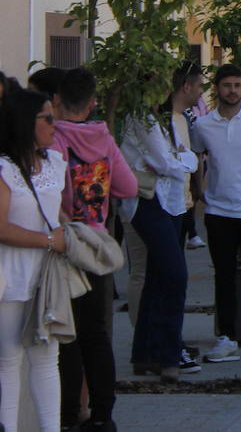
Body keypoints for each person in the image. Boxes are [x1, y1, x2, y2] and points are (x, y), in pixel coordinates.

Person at [51, 67, 136, 432]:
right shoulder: (104, 138)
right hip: (98, 245)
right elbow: (128, 186)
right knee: (97, 334)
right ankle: (104, 414)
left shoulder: (53, 139)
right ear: (92, 103)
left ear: (55, 102)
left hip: (65, 244)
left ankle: (69, 416)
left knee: (68, 337)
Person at [120, 62, 200, 382]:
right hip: (145, 200)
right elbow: (167, 162)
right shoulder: (142, 117)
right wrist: (183, 160)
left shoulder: (162, 119)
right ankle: (168, 353)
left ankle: (145, 354)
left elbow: (179, 162)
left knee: (157, 275)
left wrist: (181, 160)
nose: (165, 91)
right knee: (174, 274)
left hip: (168, 201)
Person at [191, 64, 241, 363]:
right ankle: (225, 337)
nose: (232, 91)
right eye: (227, 85)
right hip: (218, 211)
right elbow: (196, 157)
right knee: (223, 276)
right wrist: (200, 192)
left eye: (237, 85)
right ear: (217, 88)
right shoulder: (203, 125)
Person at [0, 88, 69, 430]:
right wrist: (47, 240)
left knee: (46, 359)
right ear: (26, 122)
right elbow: (1, 228)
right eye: (48, 119)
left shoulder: (55, 163)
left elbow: (62, 215)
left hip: (46, 278)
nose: (55, 126)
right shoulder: (4, 169)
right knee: (8, 361)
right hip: (10, 276)